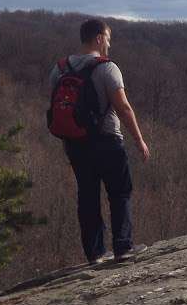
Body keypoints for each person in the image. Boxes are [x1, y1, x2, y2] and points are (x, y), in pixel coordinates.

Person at [50, 18, 150, 264]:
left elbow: (60, 107)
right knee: (120, 192)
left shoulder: (60, 69)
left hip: (74, 144)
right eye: (108, 38)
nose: (109, 43)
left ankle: (95, 254)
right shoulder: (107, 68)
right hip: (107, 141)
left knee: (87, 196)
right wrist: (139, 140)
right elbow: (124, 108)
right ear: (98, 38)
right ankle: (123, 248)